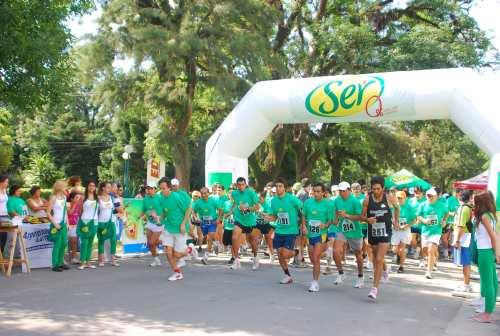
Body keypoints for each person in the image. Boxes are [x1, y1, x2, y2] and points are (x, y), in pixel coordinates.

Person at [362, 176, 399, 300]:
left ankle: (374, 289)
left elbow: (397, 208)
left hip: (385, 231)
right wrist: (367, 219)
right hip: (372, 232)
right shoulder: (367, 200)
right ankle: (385, 269)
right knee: (377, 256)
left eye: (378, 189)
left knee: (378, 259)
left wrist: (396, 220)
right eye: (374, 189)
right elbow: (362, 217)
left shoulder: (389, 198)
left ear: (383, 188)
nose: (376, 191)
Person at [265, 178, 302, 284]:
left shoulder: (292, 199)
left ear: (285, 188)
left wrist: (302, 224)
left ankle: (297, 252)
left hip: (291, 230)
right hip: (279, 230)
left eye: (280, 186)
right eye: (276, 186)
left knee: (285, 254)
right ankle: (287, 275)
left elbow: (302, 210)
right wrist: (268, 217)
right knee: (280, 254)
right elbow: (275, 217)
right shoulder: (273, 200)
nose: (278, 188)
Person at [158, 177, 194, 281]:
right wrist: (160, 218)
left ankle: (190, 249)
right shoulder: (161, 198)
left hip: (180, 228)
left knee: (177, 254)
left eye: (164, 188)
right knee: (168, 253)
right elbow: (165, 212)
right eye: (161, 189)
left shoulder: (177, 197)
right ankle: (177, 273)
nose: (162, 191)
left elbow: (189, 209)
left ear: (169, 188)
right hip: (168, 228)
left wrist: (183, 224)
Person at [333, 182, 365, 288]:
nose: (342, 193)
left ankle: (360, 276)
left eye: (344, 191)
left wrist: (346, 215)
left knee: (358, 255)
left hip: (354, 230)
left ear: (348, 190)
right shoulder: (336, 200)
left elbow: (360, 217)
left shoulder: (355, 201)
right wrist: (336, 218)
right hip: (342, 229)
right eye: (340, 191)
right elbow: (335, 217)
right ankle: (341, 273)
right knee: (336, 251)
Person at [472, 192, 498, 323]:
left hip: (485, 252)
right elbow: (496, 236)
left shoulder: (484, 217)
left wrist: (497, 254)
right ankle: (488, 311)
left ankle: (487, 314)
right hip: (488, 252)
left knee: (489, 283)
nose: (474, 204)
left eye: (476, 202)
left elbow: (494, 236)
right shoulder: (491, 216)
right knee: (492, 282)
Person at [302, 182, 332, 292]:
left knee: (315, 257)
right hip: (310, 234)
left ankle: (315, 282)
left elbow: (331, 220)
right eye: (314, 191)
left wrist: (325, 225)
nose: (316, 193)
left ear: (323, 193)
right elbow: (304, 216)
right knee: (312, 259)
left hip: (321, 234)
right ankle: (326, 253)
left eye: (318, 191)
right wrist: (304, 226)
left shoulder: (328, 204)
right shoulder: (308, 203)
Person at [416, 188, 448, 279]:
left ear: (436, 196)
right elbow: (418, 216)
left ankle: (428, 272)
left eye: (431, 196)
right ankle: (433, 259)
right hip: (425, 231)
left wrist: (444, 221)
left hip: (436, 231)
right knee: (425, 249)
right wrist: (424, 220)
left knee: (430, 250)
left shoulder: (441, 205)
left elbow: (447, 213)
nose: (429, 197)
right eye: (428, 195)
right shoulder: (423, 205)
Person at [230, 177, 260, 270]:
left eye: (243, 184)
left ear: (246, 184)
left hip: (250, 221)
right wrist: (231, 211)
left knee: (252, 241)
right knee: (234, 237)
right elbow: (235, 204)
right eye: (239, 185)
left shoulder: (251, 192)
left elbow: (257, 206)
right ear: (236, 185)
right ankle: (236, 260)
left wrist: (247, 209)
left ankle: (255, 258)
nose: (241, 186)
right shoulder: (234, 193)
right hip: (239, 219)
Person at [192, 187, 221, 265]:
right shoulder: (198, 202)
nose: (204, 195)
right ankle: (216, 243)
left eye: (205, 193)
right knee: (209, 238)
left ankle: (206, 257)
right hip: (203, 223)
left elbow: (220, 210)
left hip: (212, 222)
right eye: (202, 193)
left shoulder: (213, 201)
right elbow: (194, 212)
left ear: (209, 193)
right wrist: (196, 217)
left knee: (209, 237)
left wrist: (218, 219)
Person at [452, 190, 473, 292]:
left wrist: (457, 240)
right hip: (467, 236)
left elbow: (460, 225)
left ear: (459, 197)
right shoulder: (469, 208)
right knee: (466, 262)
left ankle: (466, 284)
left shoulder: (463, 209)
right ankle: (466, 283)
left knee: (465, 262)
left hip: (465, 238)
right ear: (469, 198)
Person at [46, 180, 69, 272]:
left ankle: (60, 262)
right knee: (57, 244)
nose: (66, 188)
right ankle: (55, 264)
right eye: (65, 186)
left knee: (63, 243)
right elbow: (48, 212)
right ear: (60, 187)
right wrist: (55, 223)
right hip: (56, 223)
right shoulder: (53, 197)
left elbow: (65, 210)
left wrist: (67, 222)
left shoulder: (64, 197)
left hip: (63, 223)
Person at [391, 191, 416, 273]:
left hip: (405, 230)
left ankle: (401, 266)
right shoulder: (393, 207)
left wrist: (406, 226)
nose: (399, 199)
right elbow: (391, 218)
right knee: (394, 249)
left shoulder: (409, 207)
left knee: (402, 249)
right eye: (397, 198)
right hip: (395, 230)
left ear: (405, 198)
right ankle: (398, 256)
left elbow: (414, 220)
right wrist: (393, 224)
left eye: (401, 198)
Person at [97, 182, 119, 267]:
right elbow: (96, 211)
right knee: (101, 241)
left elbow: (116, 210)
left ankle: (113, 260)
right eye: (108, 187)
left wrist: (120, 209)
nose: (110, 189)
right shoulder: (98, 198)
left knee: (113, 240)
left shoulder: (112, 198)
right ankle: (101, 260)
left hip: (111, 222)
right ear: (103, 188)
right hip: (101, 222)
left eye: (110, 187)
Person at [77, 181, 99, 269]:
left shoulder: (97, 198)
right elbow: (80, 210)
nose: (92, 187)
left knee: (90, 242)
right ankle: (82, 262)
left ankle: (88, 262)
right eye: (90, 185)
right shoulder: (83, 197)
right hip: (85, 221)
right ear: (87, 187)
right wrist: (81, 221)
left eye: (93, 185)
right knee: (84, 242)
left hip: (94, 221)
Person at [142, 183, 163, 267]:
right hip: (150, 223)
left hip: (159, 223)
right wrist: (137, 218)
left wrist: (159, 217)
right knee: (150, 243)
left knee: (152, 242)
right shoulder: (146, 198)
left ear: (155, 189)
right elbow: (144, 210)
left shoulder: (160, 198)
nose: (149, 190)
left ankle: (167, 242)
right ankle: (156, 260)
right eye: (148, 188)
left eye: (151, 188)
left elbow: (165, 210)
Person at [256, 191, 275, 265]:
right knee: (256, 240)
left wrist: (262, 213)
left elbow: (270, 215)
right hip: (257, 224)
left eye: (260, 198)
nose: (258, 200)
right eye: (257, 198)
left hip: (266, 224)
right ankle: (255, 255)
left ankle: (272, 256)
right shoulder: (256, 205)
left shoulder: (267, 205)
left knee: (269, 241)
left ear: (263, 198)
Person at [409, 186, 426, 260]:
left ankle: (421, 258)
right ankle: (417, 248)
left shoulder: (426, 201)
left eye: (419, 193)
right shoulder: (410, 200)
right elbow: (408, 211)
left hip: (423, 224)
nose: (417, 194)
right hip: (413, 223)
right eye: (415, 192)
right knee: (412, 240)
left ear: (422, 193)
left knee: (423, 242)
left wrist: (422, 219)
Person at [443, 189, 460, 259]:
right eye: (456, 192)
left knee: (453, 239)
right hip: (448, 222)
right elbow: (446, 211)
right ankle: (447, 250)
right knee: (444, 238)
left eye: (459, 193)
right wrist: (452, 213)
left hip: (457, 223)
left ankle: (452, 253)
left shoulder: (461, 200)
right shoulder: (450, 200)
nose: (457, 194)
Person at [68, 190, 83, 264]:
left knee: (74, 242)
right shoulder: (68, 204)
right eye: (76, 198)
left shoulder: (78, 205)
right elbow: (70, 213)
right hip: (67, 225)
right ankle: (62, 258)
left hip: (75, 225)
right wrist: (75, 204)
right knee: (65, 242)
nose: (78, 199)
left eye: (78, 198)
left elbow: (80, 214)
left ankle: (73, 258)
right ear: (71, 199)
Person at [221, 189, 236, 264]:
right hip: (228, 225)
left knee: (233, 241)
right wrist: (223, 222)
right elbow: (224, 214)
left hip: (236, 226)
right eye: (230, 194)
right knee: (225, 241)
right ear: (228, 195)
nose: (231, 195)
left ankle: (233, 257)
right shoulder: (226, 203)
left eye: (233, 194)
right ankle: (234, 254)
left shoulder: (238, 203)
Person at [0, 175, 9, 252]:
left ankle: (1, 258)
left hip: (5, 216)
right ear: (1, 182)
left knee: (4, 237)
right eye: (6, 182)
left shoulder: (5, 190)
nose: (7, 183)